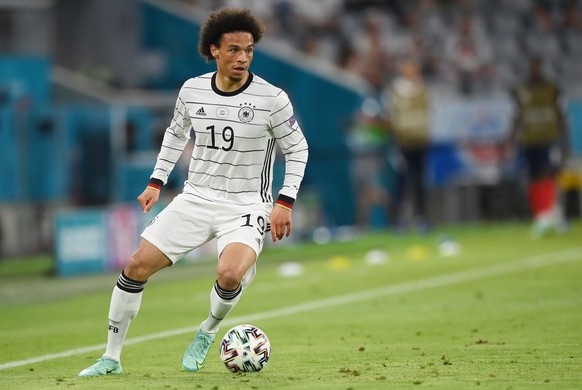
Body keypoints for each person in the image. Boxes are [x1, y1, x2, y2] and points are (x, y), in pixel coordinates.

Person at [78, 7, 308, 376]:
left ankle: (208, 330)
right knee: (135, 266)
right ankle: (111, 357)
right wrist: (156, 181)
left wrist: (285, 202)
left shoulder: (272, 98)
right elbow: (176, 133)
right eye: (234, 49)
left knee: (229, 274)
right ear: (214, 49)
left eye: (249, 50)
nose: (243, 58)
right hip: (196, 198)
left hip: (246, 204)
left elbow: (298, 148)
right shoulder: (192, 89)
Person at [509, 56, 569, 238]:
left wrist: (564, 140)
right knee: (534, 176)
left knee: (547, 173)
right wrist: (511, 136)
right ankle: (542, 215)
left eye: (537, 66)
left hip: (547, 138)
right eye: (532, 66)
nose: (535, 69)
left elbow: (560, 115)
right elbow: (517, 116)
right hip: (529, 140)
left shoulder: (552, 89)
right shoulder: (522, 90)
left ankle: (550, 214)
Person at [383, 57, 431, 232]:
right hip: (402, 141)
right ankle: (400, 218)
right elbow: (391, 115)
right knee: (402, 182)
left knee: (419, 180)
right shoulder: (396, 90)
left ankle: (420, 217)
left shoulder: (423, 88)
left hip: (420, 139)